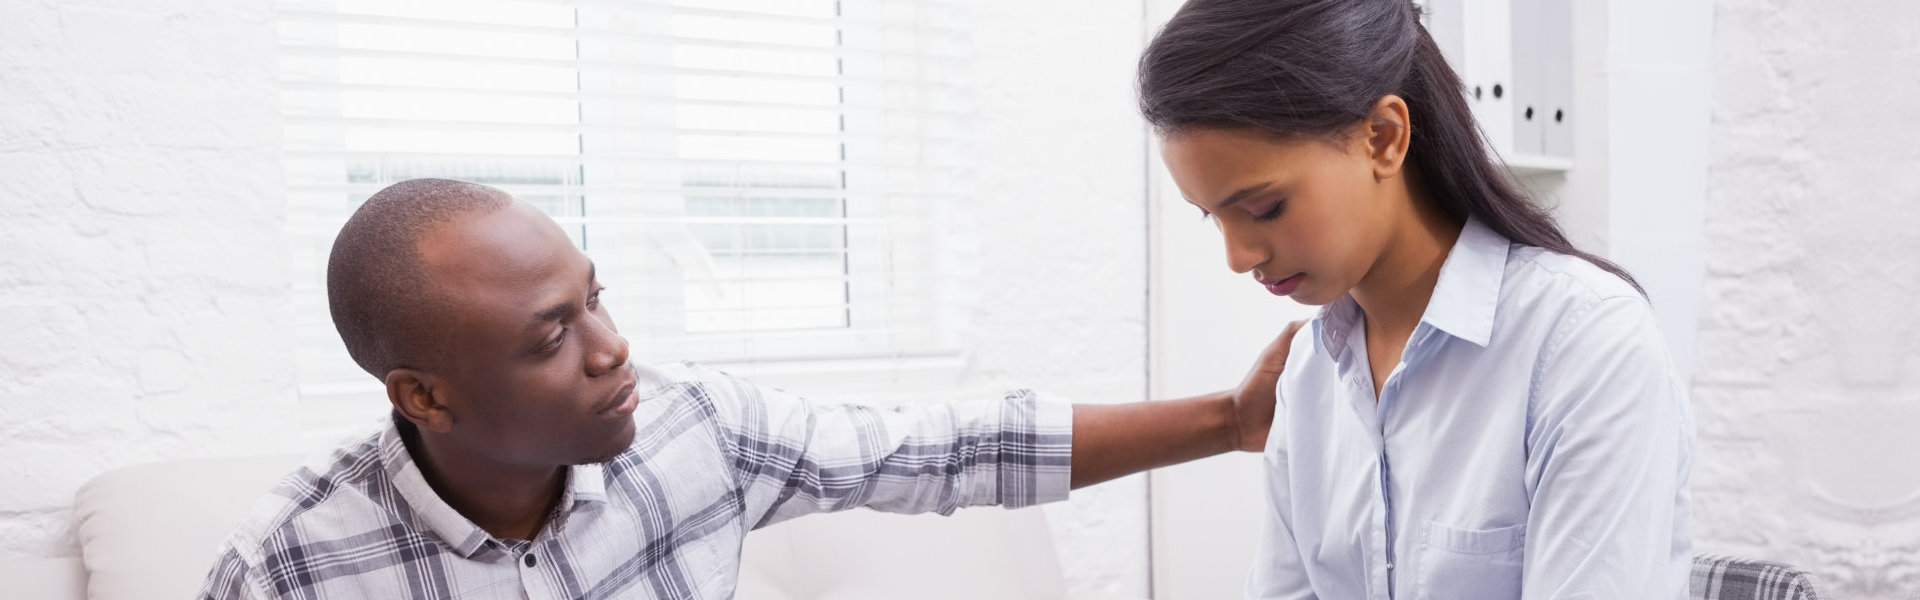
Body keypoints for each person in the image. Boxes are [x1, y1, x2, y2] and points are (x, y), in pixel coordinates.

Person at [197, 178, 1301, 600]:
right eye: (550, 339)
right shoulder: (289, 566)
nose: (613, 349)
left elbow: (942, 449)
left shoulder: (689, 431)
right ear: (423, 398)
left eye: (595, 299)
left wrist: (1232, 420)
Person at [1137, 0, 1693, 597]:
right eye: (1211, 218)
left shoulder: (1583, 347)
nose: (1238, 256)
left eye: (1264, 209)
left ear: (1383, 138)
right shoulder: (1308, 377)